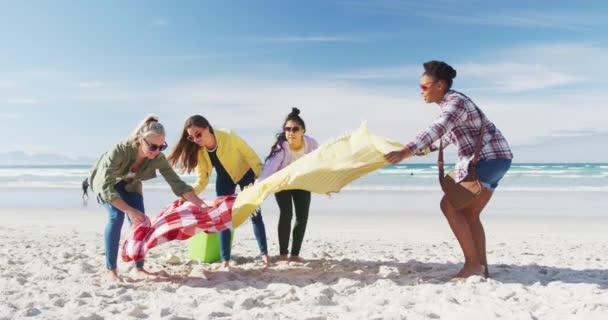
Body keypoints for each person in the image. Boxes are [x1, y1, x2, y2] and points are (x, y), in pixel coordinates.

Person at [384, 61, 513, 278]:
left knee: (449, 206)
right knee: (470, 215)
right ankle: (481, 267)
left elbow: (437, 128)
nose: (420, 92)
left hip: (487, 160)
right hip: (498, 160)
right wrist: (411, 151)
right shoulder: (455, 105)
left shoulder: (455, 103)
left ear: (440, 85)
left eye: (424, 87)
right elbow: (442, 139)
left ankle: (472, 265)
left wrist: (406, 150)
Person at [89, 115, 206, 283]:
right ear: (139, 139)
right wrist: (128, 209)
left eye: (161, 146)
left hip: (130, 186)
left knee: (141, 221)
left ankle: (139, 268)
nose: (157, 151)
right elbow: (105, 186)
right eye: (152, 146)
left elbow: (177, 183)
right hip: (106, 184)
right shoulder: (120, 150)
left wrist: (200, 203)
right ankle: (111, 271)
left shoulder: (157, 158)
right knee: (117, 216)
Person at [167, 115, 269, 269]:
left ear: (207, 128)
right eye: (191, 137)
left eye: (198, 134)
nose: (195, 139)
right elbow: (202, 179)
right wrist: (189, 195)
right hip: (224, 179)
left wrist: (258, 181)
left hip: (246, 173)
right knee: (223, 219)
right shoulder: (200, 151)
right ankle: (226, 260)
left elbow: (250, 155)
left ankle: (265, 255)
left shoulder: (228, 136)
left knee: (254, 213)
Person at [258, 108, 319, 263]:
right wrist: (257, 188)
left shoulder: (311, 143)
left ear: (302, 131)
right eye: (287, 129)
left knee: (302, 217)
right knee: (286, 214)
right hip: (282, 183)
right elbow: (269, 169)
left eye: (295, 129)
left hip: (301, 182)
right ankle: (283, 254)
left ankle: (295, 254)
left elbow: (321, 161)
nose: (290, 132)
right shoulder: (281, 148)